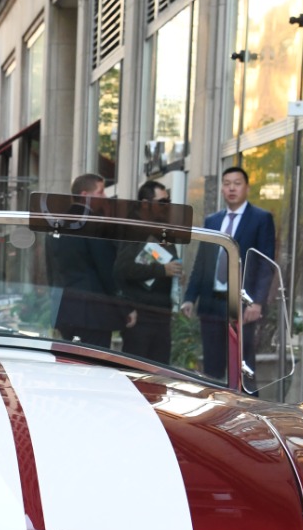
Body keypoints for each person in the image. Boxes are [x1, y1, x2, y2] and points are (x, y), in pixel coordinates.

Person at [182, 164, 276, 384]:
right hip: (211, 303)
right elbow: (202, 263)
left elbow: (265, 265)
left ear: (247, 188)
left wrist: (257, 302)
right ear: (222, 189)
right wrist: (189, 298)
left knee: (243, 368)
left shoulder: (261, 219)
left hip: (241, 305)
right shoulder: (213, 221)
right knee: (212, 371)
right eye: (227, 184)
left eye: (237, 184)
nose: (231, 188)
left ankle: (248, 413)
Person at [51, 172, 135, 349]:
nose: (105, 197)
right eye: (100, 192)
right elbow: (108, 271)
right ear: (85, 196)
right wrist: (125, 307)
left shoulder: (56, 226)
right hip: (93, 314)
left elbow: (52, 271)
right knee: (93, 368)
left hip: (64, 310)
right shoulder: (94, 224)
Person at [115, 180, 185, 367]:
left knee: (160, 376)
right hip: (141, 316)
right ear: (146, 204)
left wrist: (175, 273)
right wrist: (162, 269)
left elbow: (169, 262)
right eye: (162, 202)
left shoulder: (162, 228)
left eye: (168, 201)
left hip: (161, 315)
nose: (167, 206)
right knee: (138, 374)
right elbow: (123, 268)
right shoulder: (133, 228)